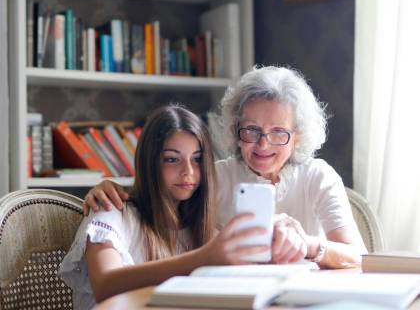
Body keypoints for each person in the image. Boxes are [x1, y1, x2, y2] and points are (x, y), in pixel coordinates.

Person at [84, 66, 367, 269]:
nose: (263, 145)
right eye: (251, 130)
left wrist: (307, 244)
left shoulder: (318, 175)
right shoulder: (213, 176)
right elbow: (159, 198)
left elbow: (358, 256)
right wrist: (109, 188)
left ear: (298, 137)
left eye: (279, 132)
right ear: (235, 129)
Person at [55, 105, 272, 310]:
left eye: (197, 159)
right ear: (150, 162)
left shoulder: (205, 230)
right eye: (172, 159)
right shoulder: (112, 210)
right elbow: (106, 286)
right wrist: (204, 258)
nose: (188, 172)